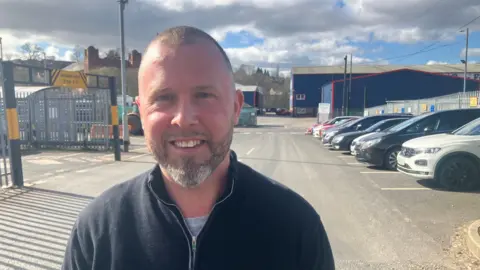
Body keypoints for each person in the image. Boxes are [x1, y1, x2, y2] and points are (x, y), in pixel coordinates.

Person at [62, 26, 335, 270]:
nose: (183, 118)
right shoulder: (97, 232)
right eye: (164, 98)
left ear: (236, 107)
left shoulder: (295, 227)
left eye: (204, 95)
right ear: (141, 111)